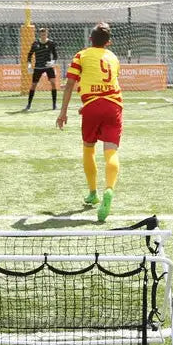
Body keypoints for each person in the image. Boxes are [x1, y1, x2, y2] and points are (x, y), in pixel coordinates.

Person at [55, 22, 122, 222]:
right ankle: (109, 189)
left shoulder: (81, 55)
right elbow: (107, 83)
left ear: (89, 40)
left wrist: (63, 112)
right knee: (111, 151)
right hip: (114, 106)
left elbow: (69, 86)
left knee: (88, 149)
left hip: (92, 108)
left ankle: (93, 193)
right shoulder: (114, 57)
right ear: (108, 42)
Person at [25, 27, 58, 111]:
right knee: (33, 85)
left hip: (48, 66)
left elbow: (55, 55)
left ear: (47, 34)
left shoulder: (51, 43)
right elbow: (29, 55)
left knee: (53, 83)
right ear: (39, 34)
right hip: (38, 67)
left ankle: (54, 104)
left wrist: (53, 62)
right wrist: (29, 65)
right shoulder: (35, 43)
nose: (43, 36)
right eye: (42, 34)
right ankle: (28, 104)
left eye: (45, 34)